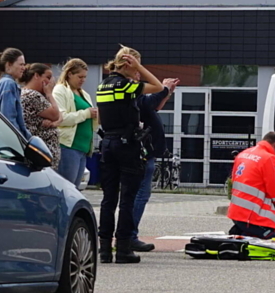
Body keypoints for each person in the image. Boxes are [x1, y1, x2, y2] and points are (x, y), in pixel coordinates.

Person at [95, 46, 163, 265]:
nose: (137, 73)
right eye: (135, 67)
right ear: (128, 64)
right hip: (127, 146)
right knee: (127, 199)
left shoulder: (102, 85)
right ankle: (123, 249)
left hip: (107, 144)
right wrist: (140, 68)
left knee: (108, 199)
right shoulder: (125, 86)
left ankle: (104, 249)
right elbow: (158, 87)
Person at [130, 76, 180, 253]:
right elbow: (149, 103)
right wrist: (163, 89)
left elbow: (156, 106)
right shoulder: (131, 90)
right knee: (139, 194)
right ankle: (129, 235)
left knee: (140, 194)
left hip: (148, 151)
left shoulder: (135, 91)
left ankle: (129, 234)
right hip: (141, 151)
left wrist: (167, 93)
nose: (138, 76)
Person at [228, 131, 275, 239]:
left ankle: (244, 233)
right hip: (253, 216)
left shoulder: (243, 154)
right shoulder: (269, 159)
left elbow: (236, 181)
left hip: (237, 213)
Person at [53, 58, 97, 189]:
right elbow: (62, 118)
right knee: (66, 188)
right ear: (70, 74)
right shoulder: (60, 90)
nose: (83, 80)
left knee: (75, 189)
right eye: (80, 76)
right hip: (68, 146)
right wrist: (86, 113)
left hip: (83, 148)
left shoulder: (85, 94)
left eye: (85, 77)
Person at [20, 63, 61, 169]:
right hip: (40, 157)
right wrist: (49, 94)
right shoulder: (32, 95)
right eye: (48, 77)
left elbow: (59, 116)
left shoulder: (35, 95)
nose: (50, 82)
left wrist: (53, 122)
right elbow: (56, 114)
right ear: (36, 75)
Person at [0, 48, 29, 137]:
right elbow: (9, 120)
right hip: (3, 141)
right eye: (21, 64)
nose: (24, 68)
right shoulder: (8, 84)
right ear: (9, 64)